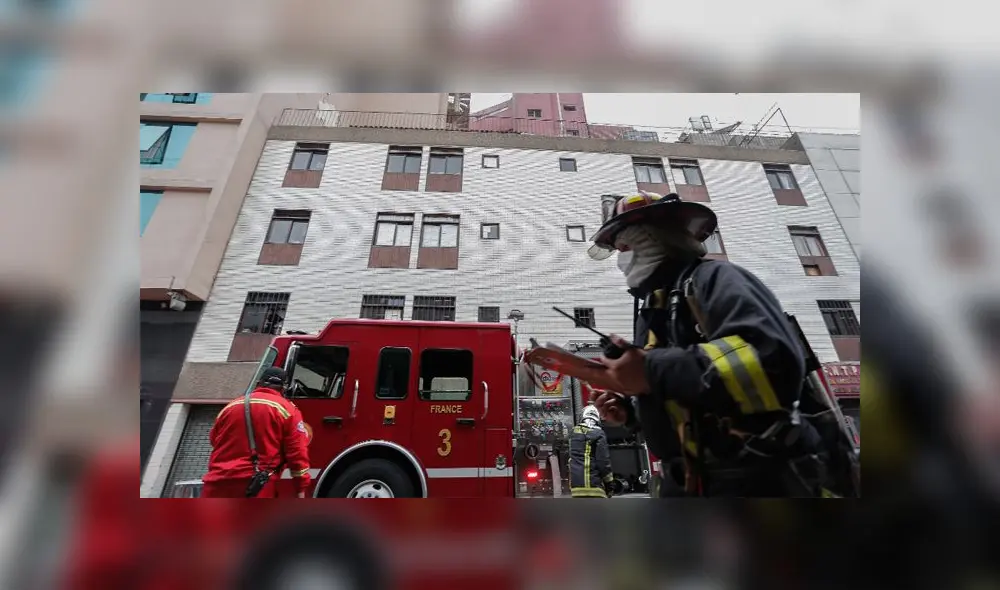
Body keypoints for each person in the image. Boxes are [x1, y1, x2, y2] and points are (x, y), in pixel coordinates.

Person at [586, 191, 829, 497]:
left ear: (658, 234)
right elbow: (693, 399)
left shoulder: (715, 279)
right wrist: (633, 414)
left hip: (757, 480)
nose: (621, 254)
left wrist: (651, 371)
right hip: (694, 483)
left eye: (625, 241)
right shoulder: (655, 307)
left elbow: (772, 362)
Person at [202, 367, 311, 498]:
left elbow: (214, 440)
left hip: (216, 484)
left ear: (258, 383)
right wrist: (300, 487)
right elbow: (297, 453)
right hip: (254, 485)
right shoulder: (288, 410)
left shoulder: (230, 406)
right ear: (284, 388)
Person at [568, 405, 615, 498]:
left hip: (576, 489)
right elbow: (603, 461)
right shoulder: (599, 434)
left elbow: (570, 460)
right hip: (594, 488)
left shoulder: (573, 433)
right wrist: (610, 484)